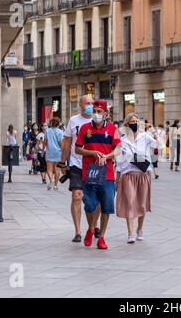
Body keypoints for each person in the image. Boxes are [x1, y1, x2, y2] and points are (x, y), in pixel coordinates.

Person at [75, 100, 121, 250]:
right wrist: (92, 153)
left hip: (107, 173)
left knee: (106, 205)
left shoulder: (113, 129)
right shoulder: (84, 128)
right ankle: (91, 227)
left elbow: (118, 150)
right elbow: (77, 149)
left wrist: (106, 157)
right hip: (90, 172)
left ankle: (101, 237)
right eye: (94, 111)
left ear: (105, 114)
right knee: (89, 204)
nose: (96, 114)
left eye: (100, 112)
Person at [59, 95, 100, 244]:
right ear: (80, 106)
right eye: (87, 103)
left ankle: (94, 225)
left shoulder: (98, 119)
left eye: (91, 103)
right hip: (77, 164)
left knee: (95, 199)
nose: (90, 105)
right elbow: (67, 142)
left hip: (94, 164)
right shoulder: (73, 121)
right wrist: (62, 163)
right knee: (77, 196)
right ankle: (77, 231)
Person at [116, 113, 156, 243]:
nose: (135, 123)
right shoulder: (122, 140)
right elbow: (119, 160)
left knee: (142, 204)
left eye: (136, 121)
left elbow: (158, 146)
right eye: (132, 121)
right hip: (128, 175)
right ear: (127, 124)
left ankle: (140, 229)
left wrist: (152, 130)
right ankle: (130, 233)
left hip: (143, 175)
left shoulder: (145, 137)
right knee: (130, 203)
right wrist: (118, 178)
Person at [44, 118, 64, 191]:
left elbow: (45, 142)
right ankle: (55, 185)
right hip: (58, 152)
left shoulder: (47, 131)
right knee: (57, 169)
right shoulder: (61, 132)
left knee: (49, 169)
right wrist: (63, 152)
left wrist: (43, 150)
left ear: (51, 123)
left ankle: (51, 180)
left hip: (50, 151)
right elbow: (61, 143)